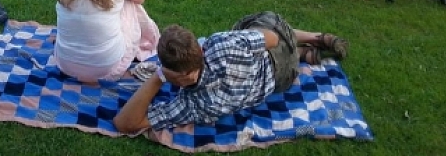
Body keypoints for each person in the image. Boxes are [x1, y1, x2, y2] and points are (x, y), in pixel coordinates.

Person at [113, 12, 348, 133]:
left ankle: (305, 54)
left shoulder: (193, 105)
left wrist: (158, 78)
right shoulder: (220, 44)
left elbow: (125, 123)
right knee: (263, 25)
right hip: (275, 56)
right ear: (200, 49)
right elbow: (272, 38)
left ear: (180, 76)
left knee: (259, 39)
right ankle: (316, 39)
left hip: (282, 80)